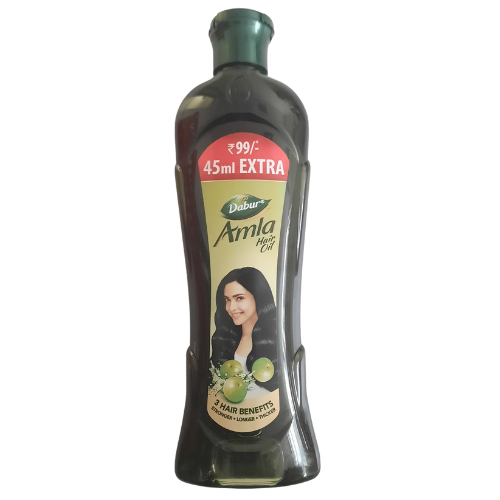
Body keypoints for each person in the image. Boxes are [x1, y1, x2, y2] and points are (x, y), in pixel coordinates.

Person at [210, 267, 278, 394]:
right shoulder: (226, 338)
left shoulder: (277, 337)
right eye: (227, 300)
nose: (231, 308)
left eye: (239, 298)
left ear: (258, 296)